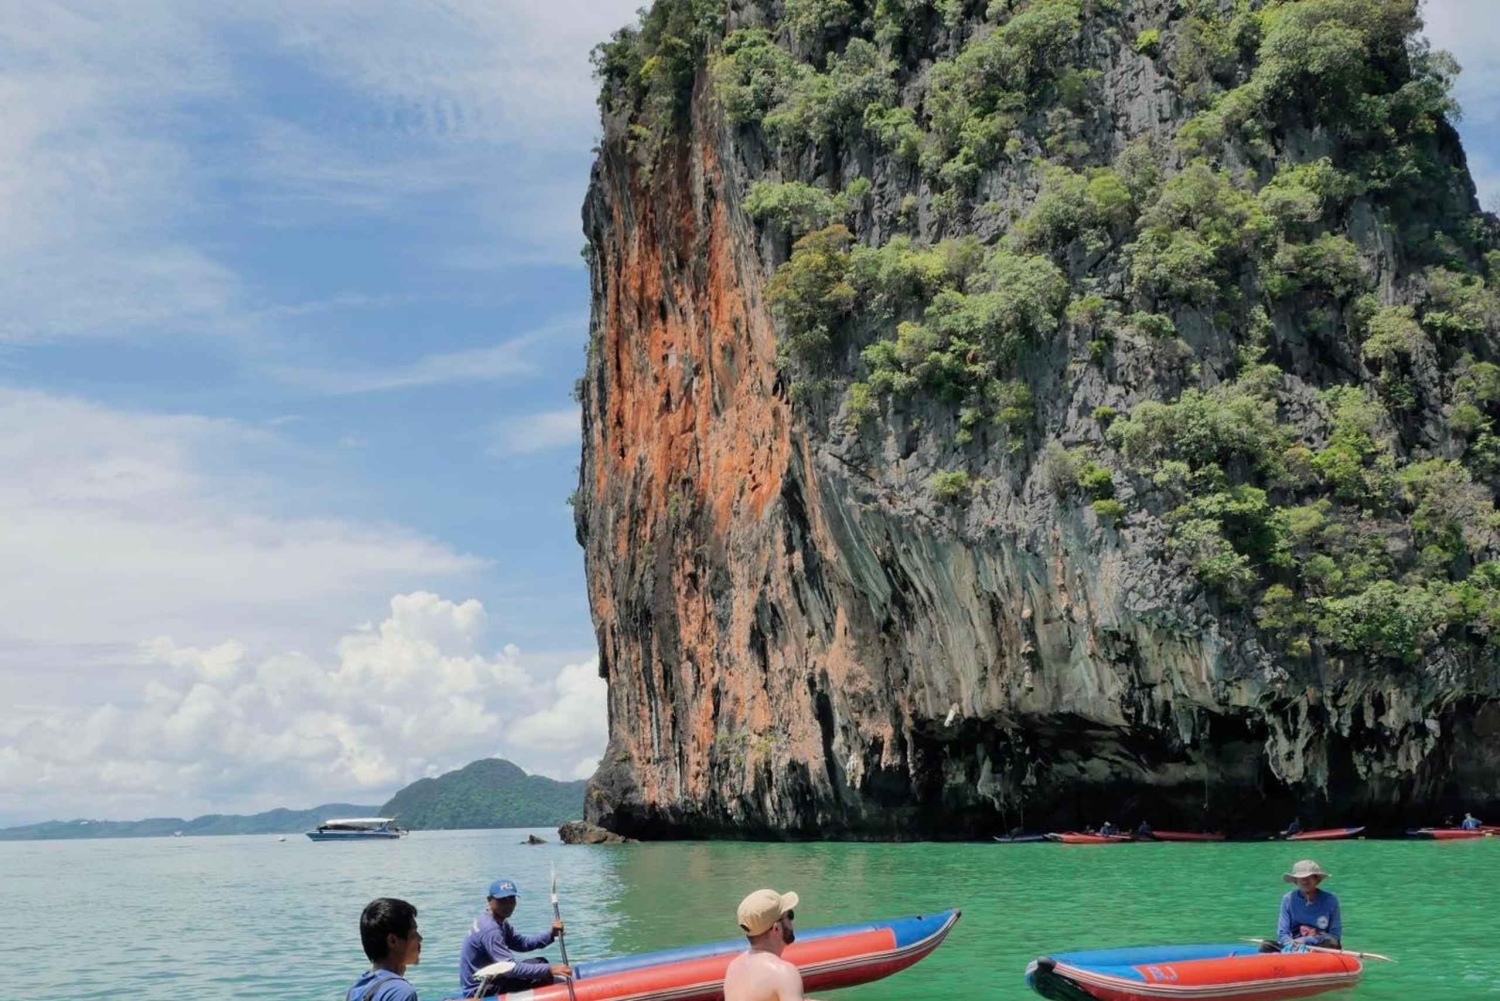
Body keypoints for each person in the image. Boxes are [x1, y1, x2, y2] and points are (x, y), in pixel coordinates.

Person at [457, 878, 570, 997]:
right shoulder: (491, 929)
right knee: (540, 976)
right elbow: (509, 968)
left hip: (493, 978)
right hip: (482, 990)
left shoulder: (497, 920)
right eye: (502, 900)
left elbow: (521, 944)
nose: (508, 904)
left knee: (540, 962)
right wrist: (550, 969)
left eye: (512, 899)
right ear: (489, 900)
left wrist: (550, 935)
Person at [724, 888, 819, 1001]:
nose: (792, 921)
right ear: (776, 928)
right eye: (789, 915)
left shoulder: (733, 968)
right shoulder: (784, 972)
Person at [347, 898, 423, 1001]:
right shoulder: (402, 992)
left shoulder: (357, 988)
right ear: (393, 941)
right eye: (414, 932)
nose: (420, 938)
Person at [1261, 860, 1341, 952]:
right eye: (1300, 878)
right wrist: (1290, 944)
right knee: (1266, 946)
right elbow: (1282, 932)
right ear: (1295, 881)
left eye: (1308, 877)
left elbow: (1335, 934)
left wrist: (1306, 940)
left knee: (1331, 943)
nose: (1304, 881)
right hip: (1294, 945)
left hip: (1320, 945)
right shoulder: (1288, 899)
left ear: (1316, 880)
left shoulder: (1330, 900)